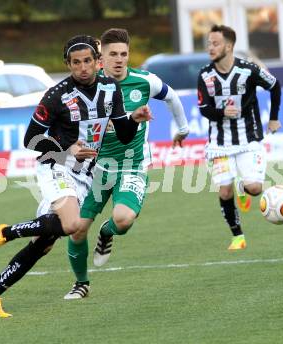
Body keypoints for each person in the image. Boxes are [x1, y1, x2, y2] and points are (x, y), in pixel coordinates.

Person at [0, 34, 152, 317]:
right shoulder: (56, 96)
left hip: (84, 173)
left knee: (44, 242)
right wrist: (66, 150)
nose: (82, 67)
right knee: (71, 225)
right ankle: (5, 232)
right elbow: (30, 140)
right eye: (75, 62)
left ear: (97, 61)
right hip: (56, 165)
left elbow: (123, 131)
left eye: (87, 61)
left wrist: (134, 118)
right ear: (68, 64)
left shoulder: (111, 89)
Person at [63, 28, 189, 300]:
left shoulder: (145, 81)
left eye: (123, 54)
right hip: (95, 169)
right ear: (101, 57)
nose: (119, 59)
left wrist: (183, 127)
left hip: (132, 164)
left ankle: (107, 232)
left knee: (123, 220)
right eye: (112, 54)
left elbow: (172, 97)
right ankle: (80, 283)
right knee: (76, 228)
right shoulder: (88, 86)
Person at [197, 25, 281, 250]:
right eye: (209, 43)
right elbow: (204, 108)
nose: (210, 48)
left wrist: (273, 118)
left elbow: (274, 85)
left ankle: (243, 188)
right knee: (224, 190)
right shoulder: (205, 75)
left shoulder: (248, 70)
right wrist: (222, 112)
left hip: (248, 140)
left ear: (229, 46)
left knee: (254, 188)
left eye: (215, 43)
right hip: (219, 144)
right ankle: (238, 236)